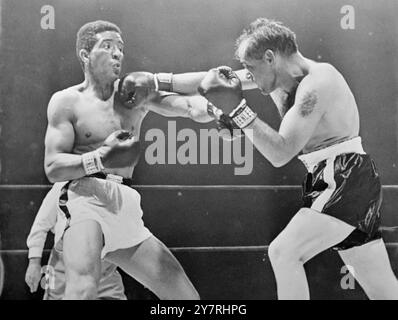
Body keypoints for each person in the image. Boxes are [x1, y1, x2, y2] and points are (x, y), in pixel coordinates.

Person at [151, 18, 398, 300]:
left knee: (284, 253)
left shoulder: (317, 83)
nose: (247, 76)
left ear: (270, 57)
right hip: (333, 177)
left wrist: (241, 112)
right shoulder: (275, 73)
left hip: (345, 176)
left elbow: (281, 153)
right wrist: (156, 81)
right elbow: (213, 80)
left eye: (251, 69)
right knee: (384, 291)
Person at [44, 20, 212, 299]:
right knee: (83, 289)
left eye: (120, 47)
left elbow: (188, 107)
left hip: (125, 204)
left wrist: (215, 110)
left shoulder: (134, 94)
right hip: (84, 199)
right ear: (85, 55)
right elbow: (52, 168)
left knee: (186, 299)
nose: (117, 53)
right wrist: (100, 157)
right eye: (107, 46)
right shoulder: (66, 101)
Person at [25, 183, 127, 300]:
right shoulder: (62, 186)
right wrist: (33, 262)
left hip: (105, 267)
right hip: (63, 266)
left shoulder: (114, 188)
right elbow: (41, 225)